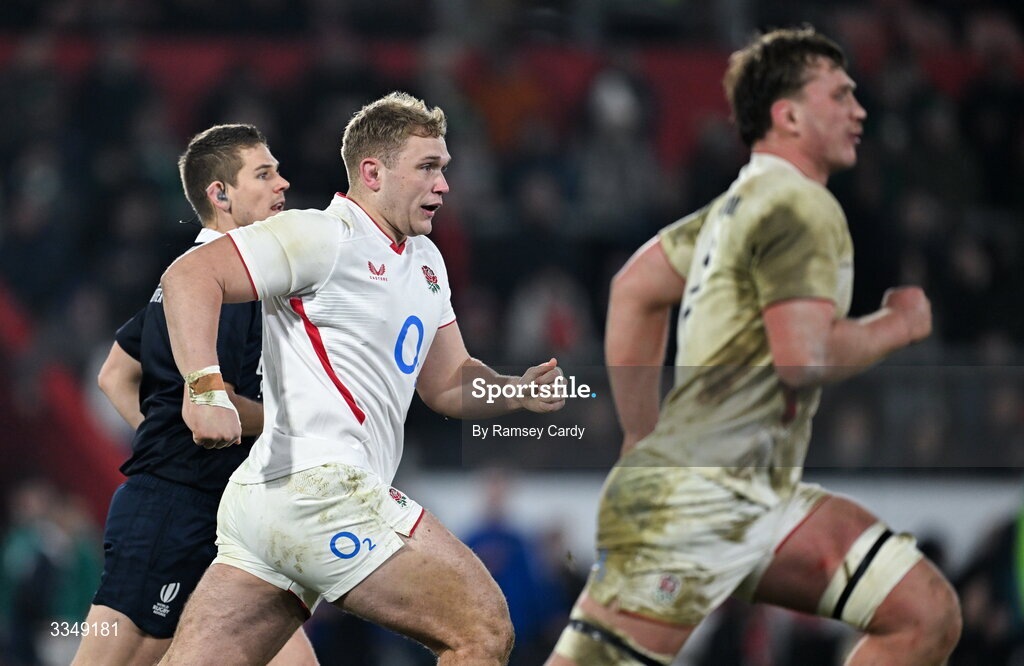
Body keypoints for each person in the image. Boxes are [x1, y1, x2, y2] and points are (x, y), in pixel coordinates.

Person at [547, 27, 962, 666]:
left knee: (924, 612)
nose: (860, 110)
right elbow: (803, 359)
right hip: (701, 499)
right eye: (840, 95)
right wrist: (896, 326)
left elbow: (633, 288)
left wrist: (639, 437)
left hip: (754, 495)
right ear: (788, 115)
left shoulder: (736, 207)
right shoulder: (801, 208)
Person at [156, 92, 566, 665]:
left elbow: (447, 382)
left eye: (444, 169)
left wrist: (512, 391)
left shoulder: (426, 261)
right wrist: (204, 387)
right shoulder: (322, 235)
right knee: (482, 627)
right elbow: (190, 277)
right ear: (371, 172)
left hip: (272, 501)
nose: (443, 185)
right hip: (320, 488)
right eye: (427, 167)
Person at [73, 124, 316, 665]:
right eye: (264, 173)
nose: (283, 183)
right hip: (174, 511)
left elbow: (114, 373)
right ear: (220, 194)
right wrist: (303, 423)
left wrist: (161, 437)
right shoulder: (223, 291)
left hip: (224, 510)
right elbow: (213, 402)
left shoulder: (187, 277)